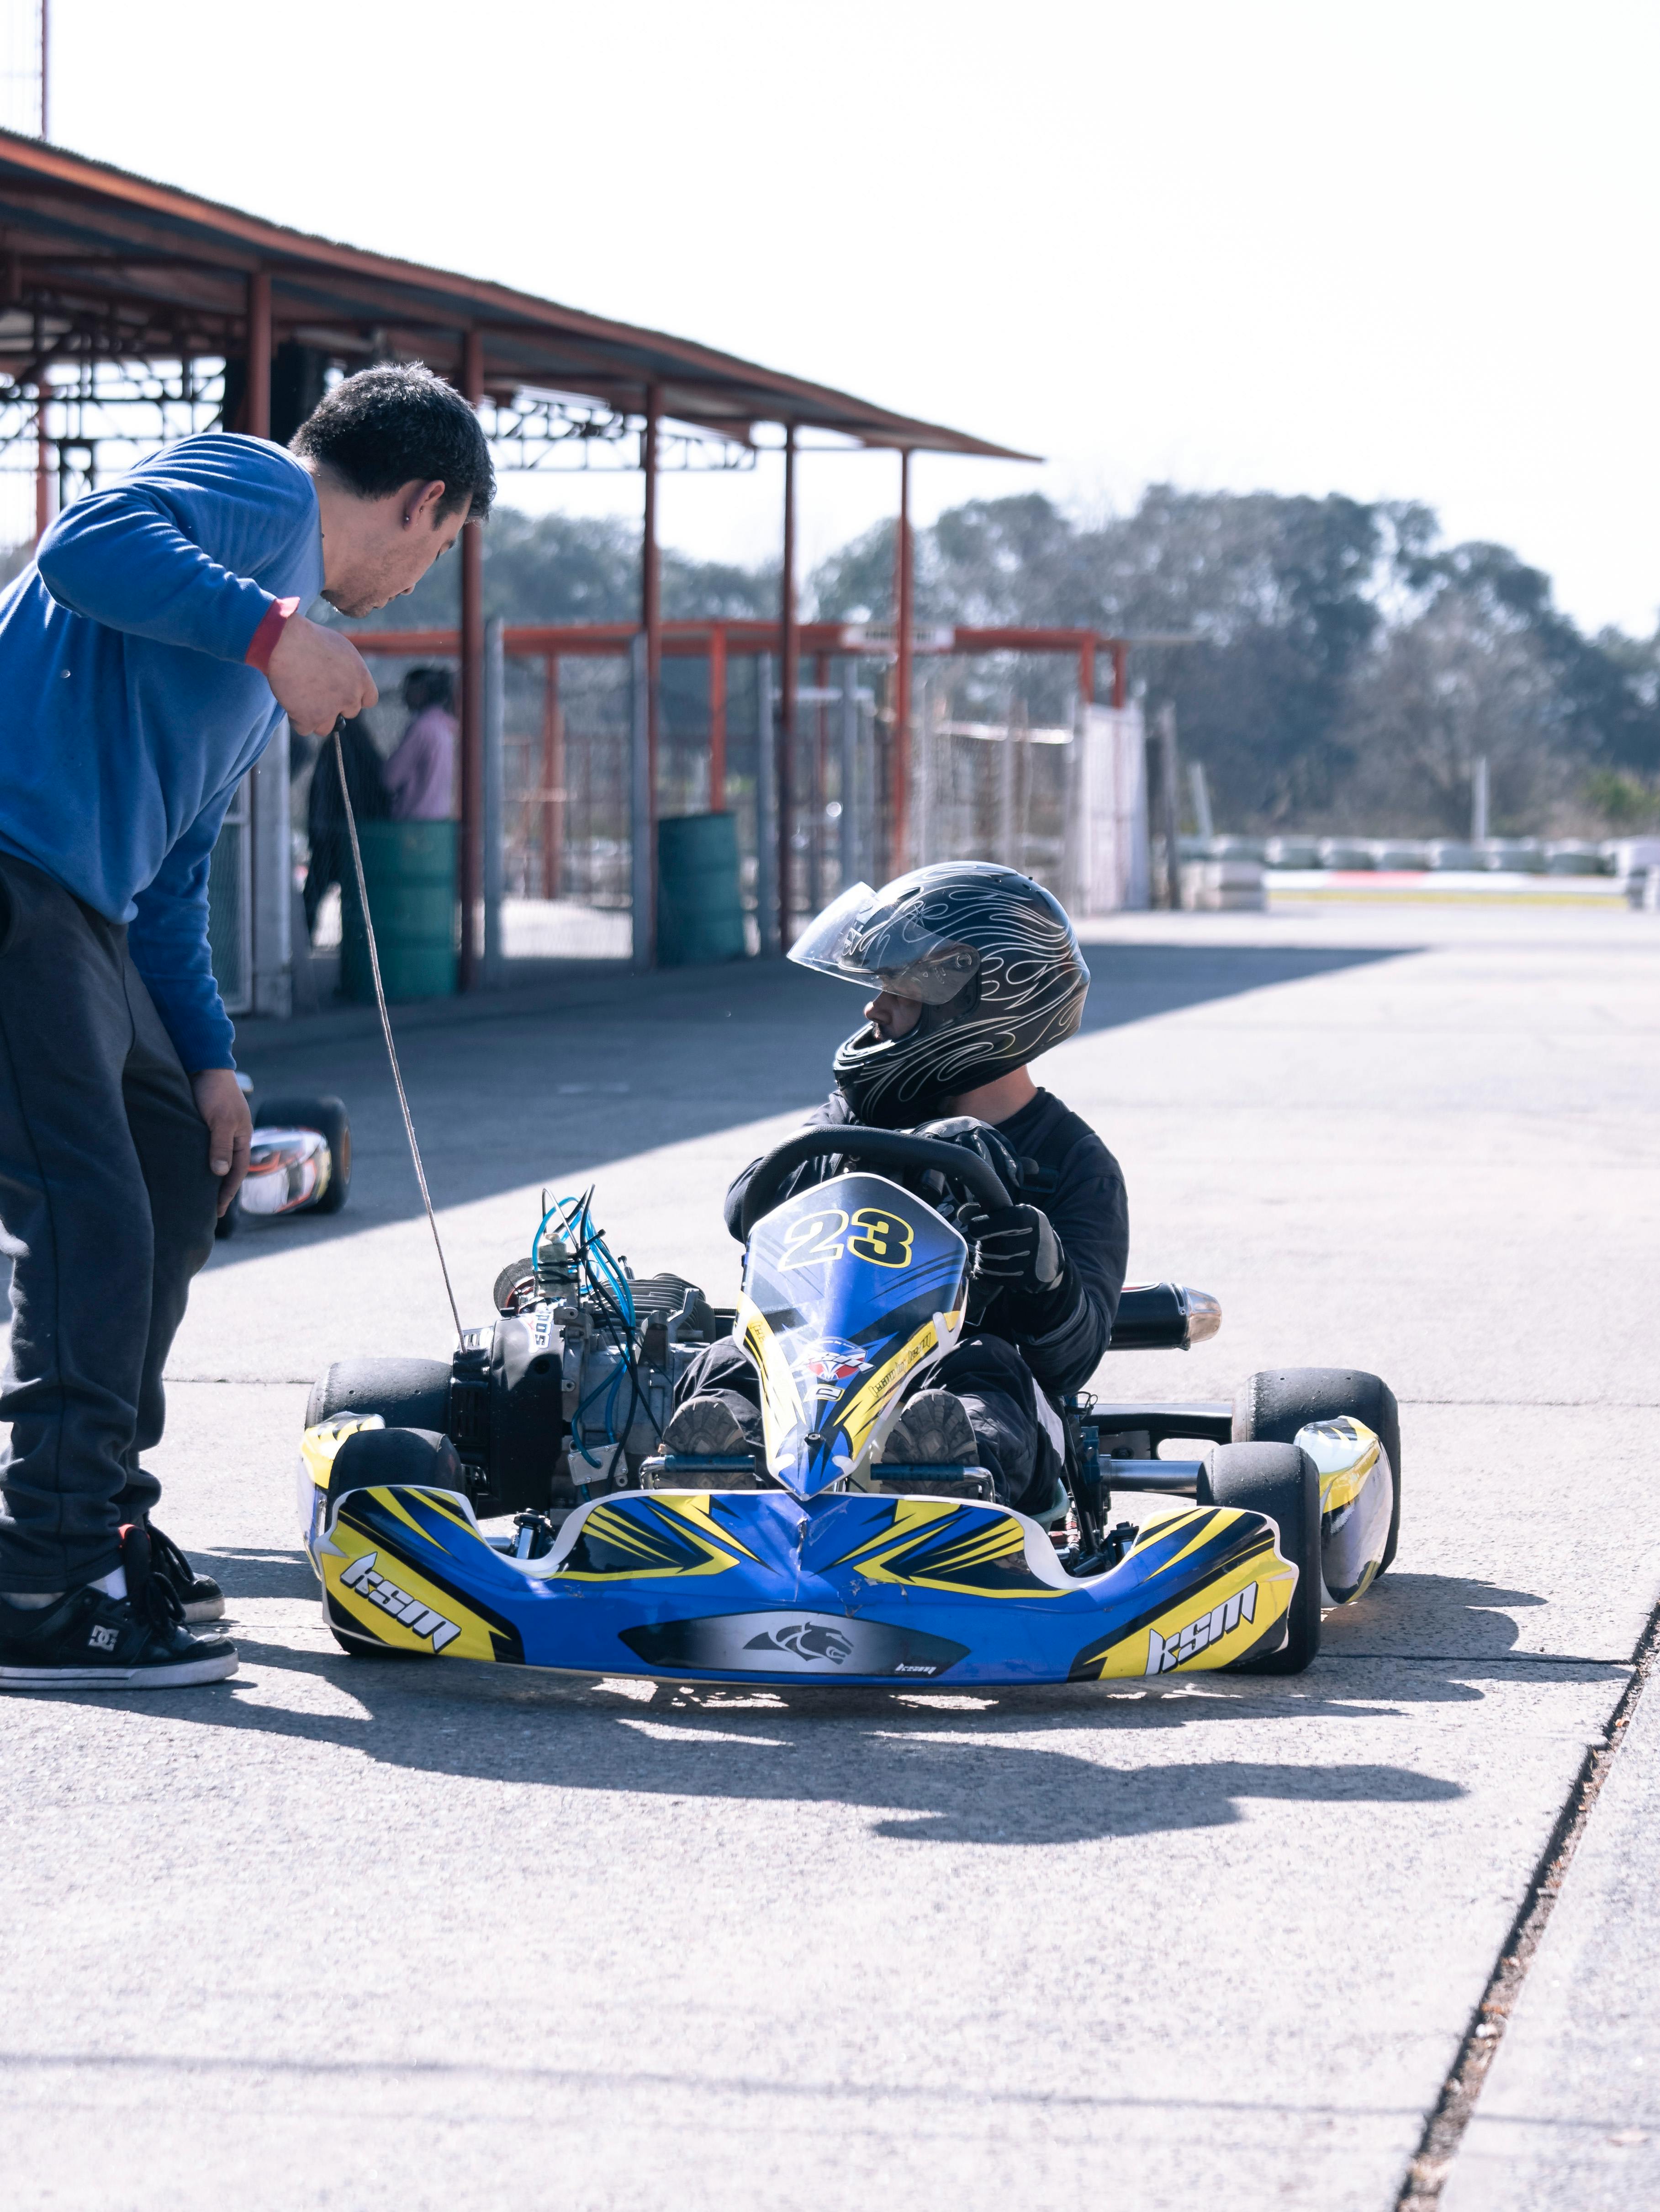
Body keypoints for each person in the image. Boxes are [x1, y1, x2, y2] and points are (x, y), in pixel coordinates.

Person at [0, 362, 494, 1690]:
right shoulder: (258, 485)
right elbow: (81, 542)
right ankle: (42, 1575)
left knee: (173, 1165)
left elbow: (172, 878)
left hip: (85, 910)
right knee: (88, 1205)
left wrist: (213, 1059)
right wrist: (275, 631)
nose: (417, 580)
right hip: (12, 865)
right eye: (439, 549)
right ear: (422, 500)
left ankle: (98, 1514)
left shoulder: (256, 651)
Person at [667, 862, 1129, 1516]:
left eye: (898, 987)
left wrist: (1042, 1275)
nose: (872, 1007)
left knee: (984, 1371)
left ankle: (940, 1480)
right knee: (728, 1361)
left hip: (963, 1386)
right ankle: (714, 1473)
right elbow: (749, 1203)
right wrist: (867, 1154)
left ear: (979, 1005)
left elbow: (1073, 1360)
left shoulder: (1073, 1162)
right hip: (821, 1364)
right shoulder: (850, 1117)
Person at [302, 711, 390, 940]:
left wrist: (319, 831)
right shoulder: (362, 749)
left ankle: (306, 942)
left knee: (317, 897)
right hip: (351, 839)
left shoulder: (342, 748)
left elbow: (322, 795)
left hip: (334, 839)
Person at [383, 665, 458, 820]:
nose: (405, 695)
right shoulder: (446, 725)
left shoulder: (422, 728)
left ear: (422, 690)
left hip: (415, 822)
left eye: (409, 688)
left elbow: (390, 778)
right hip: (440, 819)